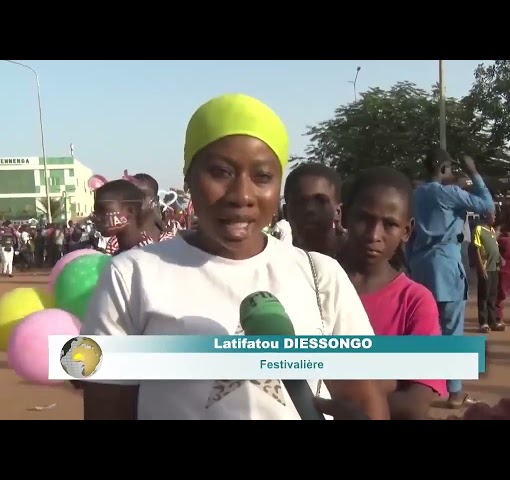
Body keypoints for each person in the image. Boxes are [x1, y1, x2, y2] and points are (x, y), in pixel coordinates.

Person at [80, 93, 389, 420]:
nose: (242, 195)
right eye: (221, 172)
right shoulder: (131, 277)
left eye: (263, 177)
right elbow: (106, 407)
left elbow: (364, 400)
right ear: (188, 179)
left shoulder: (321, 276)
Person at [338, 166, 446, 420]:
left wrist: (343, 405)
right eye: (364, 218)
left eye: (390, 224)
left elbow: (415, 403)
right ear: (344, 217)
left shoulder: (415, 301)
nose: (374, 235)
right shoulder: (313, 283)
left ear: (407, 231)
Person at [407, 148, 494, 408]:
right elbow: (488, 206)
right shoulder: (449, 192)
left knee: (423, 330)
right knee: (452, 331)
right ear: (444, 168)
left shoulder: (416, 194)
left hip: (420, 266)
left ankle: (420, 389)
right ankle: (455, 393)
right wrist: (474, 173)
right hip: (445, 265)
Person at [94, 180, 173, 255]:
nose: (96, 217)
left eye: (103, 210)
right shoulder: (120, 252)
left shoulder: (146, 255)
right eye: (95, 211)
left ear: (130, 211)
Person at [283, 162, 345, 257]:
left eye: (320, 201)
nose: (310, 209)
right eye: (300, 203)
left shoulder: (359, 262)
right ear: (285, 212)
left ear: (338, 212)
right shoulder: (274, 266)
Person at [473, 211, 503, 333]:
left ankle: (493, 321)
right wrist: (481, 268)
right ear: (486, 216)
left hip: (494, 268)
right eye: (493, 215)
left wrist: (501, 259)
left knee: (492, 295)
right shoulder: (478, 229)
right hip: (485, 268)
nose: (495, 217)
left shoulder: (491, 230)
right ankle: (483, 322)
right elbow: (477, 250)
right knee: (483, 296)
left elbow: (495, 247)